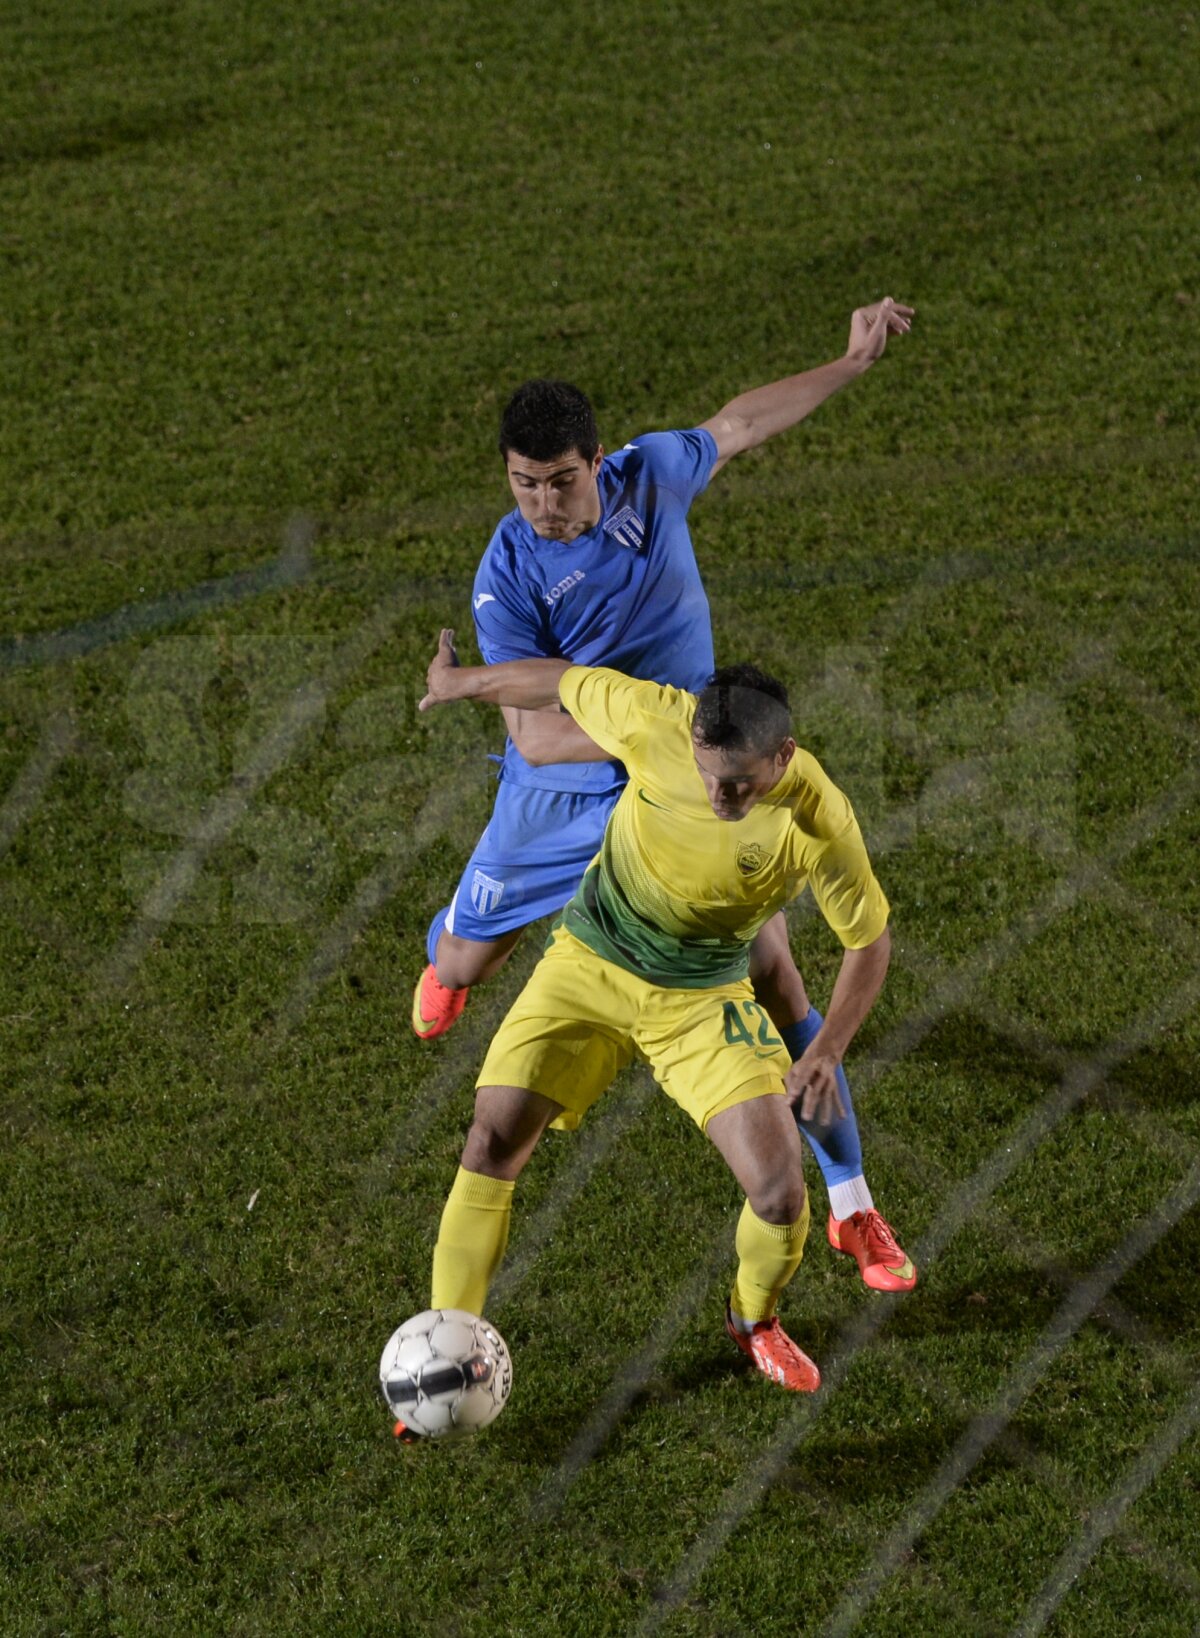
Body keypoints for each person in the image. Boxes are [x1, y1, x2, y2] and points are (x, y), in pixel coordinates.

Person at [412, 298, 916, 1294]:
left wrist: (849, 363)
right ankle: (455, 955)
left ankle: (853, 1206)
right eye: (521, 485)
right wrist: (657, 737)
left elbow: (740, 424)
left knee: (776, 978)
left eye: (558, 482)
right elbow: (538, 735)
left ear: (597, 461)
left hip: (680, 787)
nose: (541, 506)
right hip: (565, 791)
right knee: (465, 956)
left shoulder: (652, 476)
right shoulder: (506, 577)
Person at [406, 639, 892, 1430]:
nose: (715, 793)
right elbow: (559, 682)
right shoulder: (658, 720)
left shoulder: (818, 816)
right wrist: (460, 683)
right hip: (590, 964)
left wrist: (827, 1046)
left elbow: (869, 943)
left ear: (783, 757)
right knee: (491, 1138)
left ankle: (753, 1321)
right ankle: (443, 1354)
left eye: (735, 784)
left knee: (778, 1192)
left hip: (703, 999)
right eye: (705, 775)